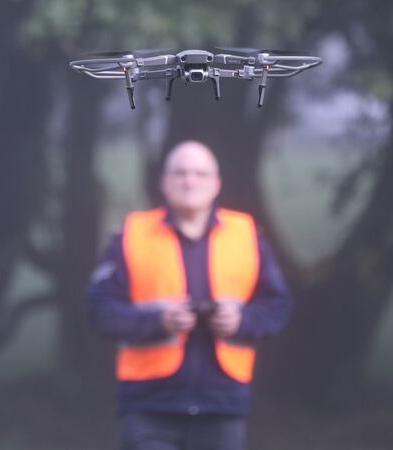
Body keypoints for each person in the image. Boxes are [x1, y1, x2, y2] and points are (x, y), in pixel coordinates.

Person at [87, 140, 292, 450]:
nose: (189, 181)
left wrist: (241, 321)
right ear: (164, 182)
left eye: (200, 173)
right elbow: (100, 310)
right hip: (149, 405)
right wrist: (159, 322)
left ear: (216, 184)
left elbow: (277, 305)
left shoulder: (246, 235)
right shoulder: (131, 235)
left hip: (222, 405)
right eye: (180, 172)